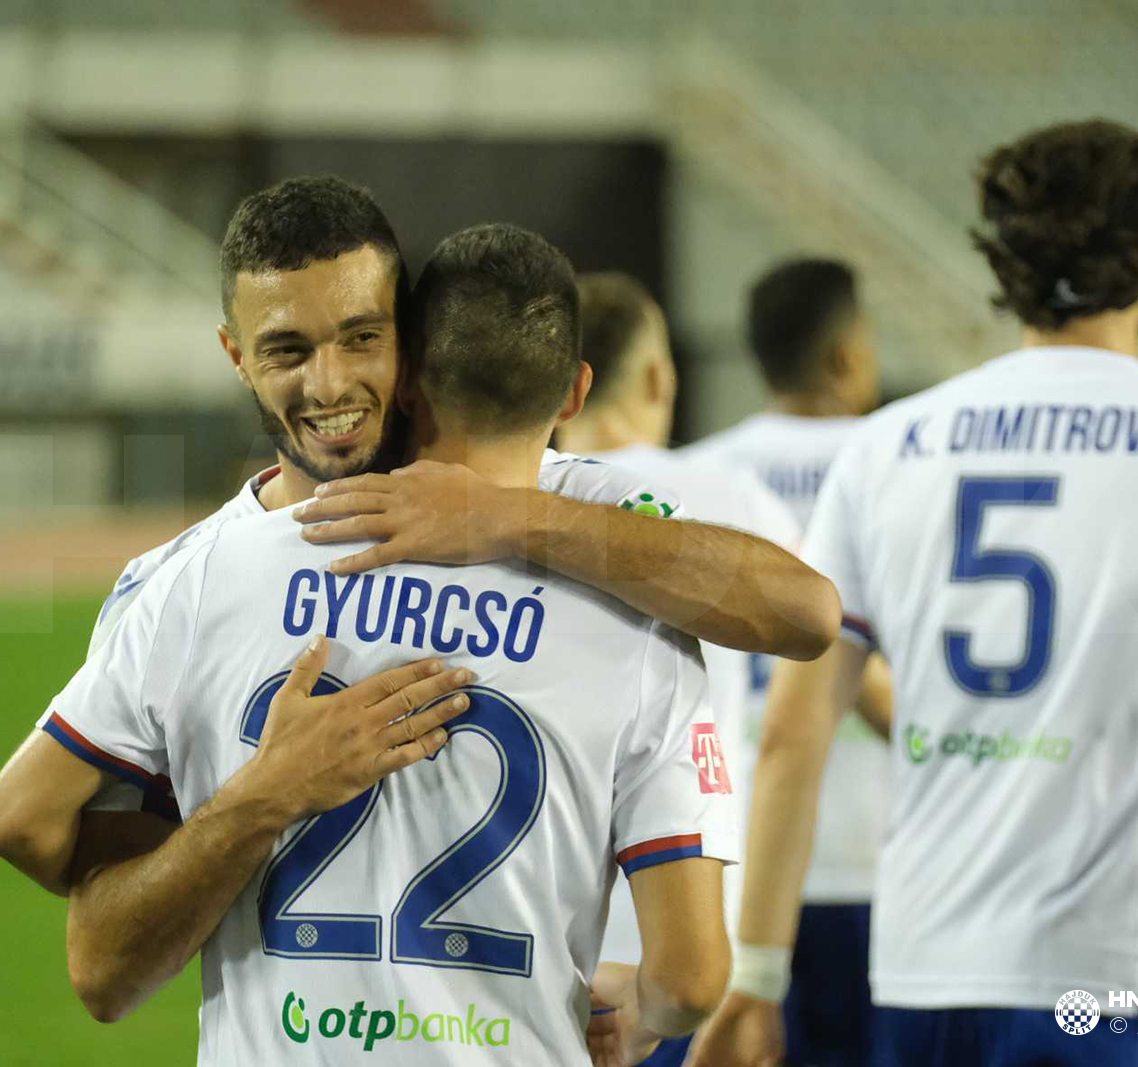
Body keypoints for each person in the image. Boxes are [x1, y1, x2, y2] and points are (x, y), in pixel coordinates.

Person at [690, 119, 1138, 1067]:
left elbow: (791, 738)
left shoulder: (889, 444)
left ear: (1003, 264)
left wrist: (759, 977)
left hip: (925, 968)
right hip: (1113, 974)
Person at [0, 177, 840, 898]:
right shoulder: (180, 580)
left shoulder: (559, 498)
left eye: (362, 337)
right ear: (235, 355)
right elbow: (93, 935)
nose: (330, 383)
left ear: (415, 341)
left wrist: (503, 517)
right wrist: (248, 816)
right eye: (286, 348)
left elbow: (804, 612)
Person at [38, 223, 736, 1064]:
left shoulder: (216, 570)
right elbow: (693, 975)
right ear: (575, 393)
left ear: (406, 380)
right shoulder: (640, 605)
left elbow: (41, 855)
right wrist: (647, 1013)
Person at [554, 271, 800, 1067]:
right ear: (658, 377)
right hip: (686, 936)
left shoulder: (494, 507)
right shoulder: (739, 503)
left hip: (527, 941)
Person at [678, 258, 889, 1066]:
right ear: (845, 353)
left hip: (739, 865)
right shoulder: (897, 460)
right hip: (881, 857)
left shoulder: (703, 474)